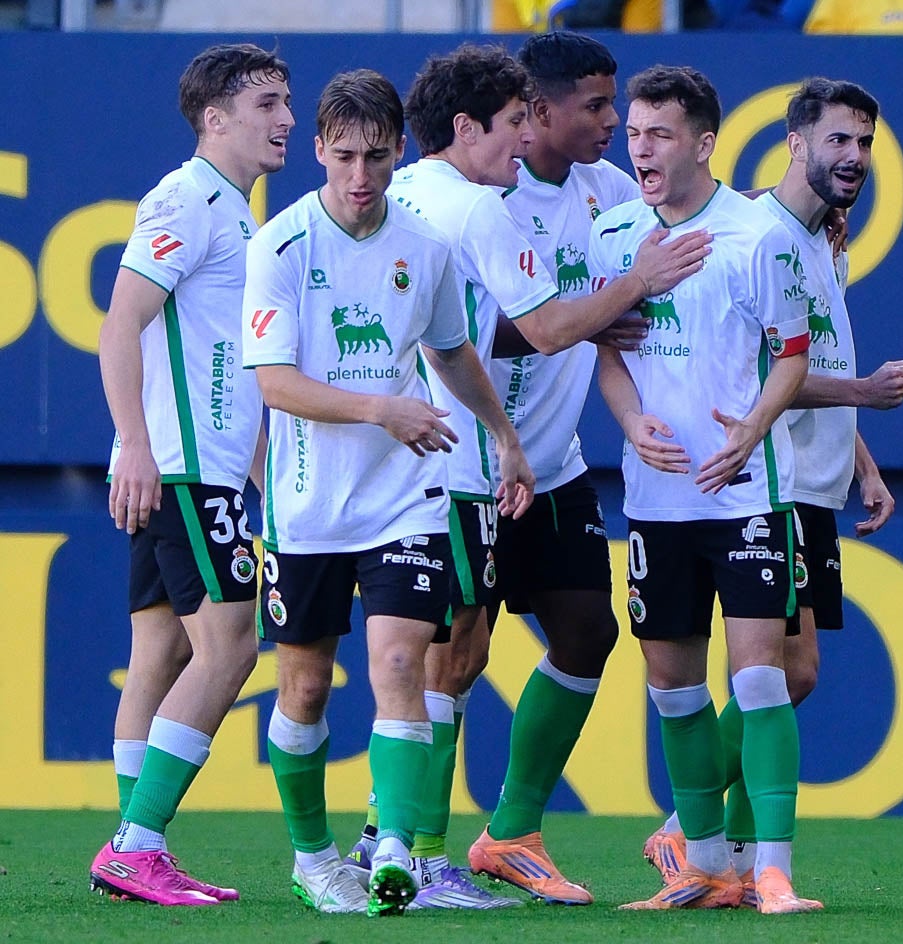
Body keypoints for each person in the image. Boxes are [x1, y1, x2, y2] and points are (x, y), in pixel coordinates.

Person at [337, 41, 710, 907]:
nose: (613, 124)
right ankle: (407, 844)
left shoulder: (607, 191)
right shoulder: (470, 201)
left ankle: (506, 833)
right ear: (529, 115)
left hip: (547, 461)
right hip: (459, 459)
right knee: (452, 651)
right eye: (595, 106)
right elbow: (529, 330)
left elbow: (700, 217)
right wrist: (624, 292)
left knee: (584, 630)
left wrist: (795, 218)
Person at [242, 68, 535, 917]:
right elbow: (273, 383)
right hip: (306, 506)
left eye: (375, 156)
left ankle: (396, 848)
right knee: (304, 689)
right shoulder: (282, 246)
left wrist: (504, 437)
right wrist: (381, 409)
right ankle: (313, 859)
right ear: (317, 152)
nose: (360, 175)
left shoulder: (425, 247)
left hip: (405, 501)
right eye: (343, 157)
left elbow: (449, 352)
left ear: (400, 150)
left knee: (403, 664)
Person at [641, 76, 903, 897]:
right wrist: (861, 392)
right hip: (769, 480)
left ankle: (710, 846)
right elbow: (768, 372)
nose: (855, 157)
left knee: (792, 674)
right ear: (793, 144)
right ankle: (692, 834)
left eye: (864, 143)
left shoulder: (824, 238)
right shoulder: (761, 236)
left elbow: (811, 356)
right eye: (838, 140)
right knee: (776, 673)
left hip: (816, 479)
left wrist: (862, 461)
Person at [589, 64, 821, 915]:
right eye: (634, 134)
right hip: (657, 500)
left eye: (659, 134)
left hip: (745, 493)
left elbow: (792, 355)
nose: (641, 150)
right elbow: (606, 351)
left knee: (759, 681)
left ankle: (772, 870)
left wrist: (751, 429)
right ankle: (704, 865)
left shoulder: (757, 236)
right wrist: (629, 421)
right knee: (674, 689)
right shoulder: (614, 235)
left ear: (703, 143)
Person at [90, 43, 294, 908]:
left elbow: (223, 366)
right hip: (180, 471)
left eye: (286, 102)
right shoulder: (188, 197)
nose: (286, 119)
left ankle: (132, 845)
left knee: (161, 652)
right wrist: (136, 445)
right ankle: (137, 844)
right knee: (231, 646)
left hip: (190, 466)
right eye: (267, 103)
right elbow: (120, 322)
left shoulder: (235, 214)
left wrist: (265, 475)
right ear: (215, 118)